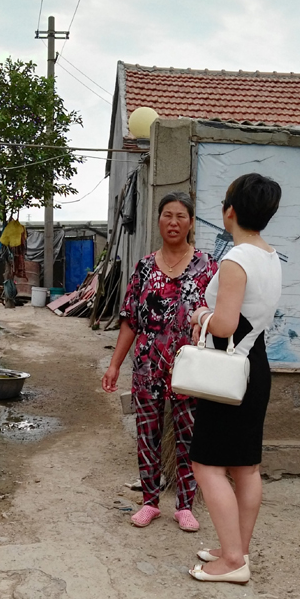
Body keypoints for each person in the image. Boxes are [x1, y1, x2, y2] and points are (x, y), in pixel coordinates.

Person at [102, 191, 218, 531]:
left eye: (181, 216)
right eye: (167, 215)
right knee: (147, 434)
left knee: (188, 435)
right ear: (158, 221)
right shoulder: (144, 267)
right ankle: (150, 502)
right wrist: (114, 365)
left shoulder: (208, 267)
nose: (173, 222)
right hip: (147, 364)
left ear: (191, 222)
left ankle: (185, 506)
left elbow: (220, 317)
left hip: (190, 365)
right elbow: (129, 320)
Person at [187, 173, 282, 584]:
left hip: (228, 373)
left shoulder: (236, 259)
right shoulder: (270, 256)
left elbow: (224, 325)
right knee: (246, 467)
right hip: (254, 365)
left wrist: (200, 315)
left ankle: (231, 561)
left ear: (230, 211)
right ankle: (237, 549)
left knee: (206, 465)